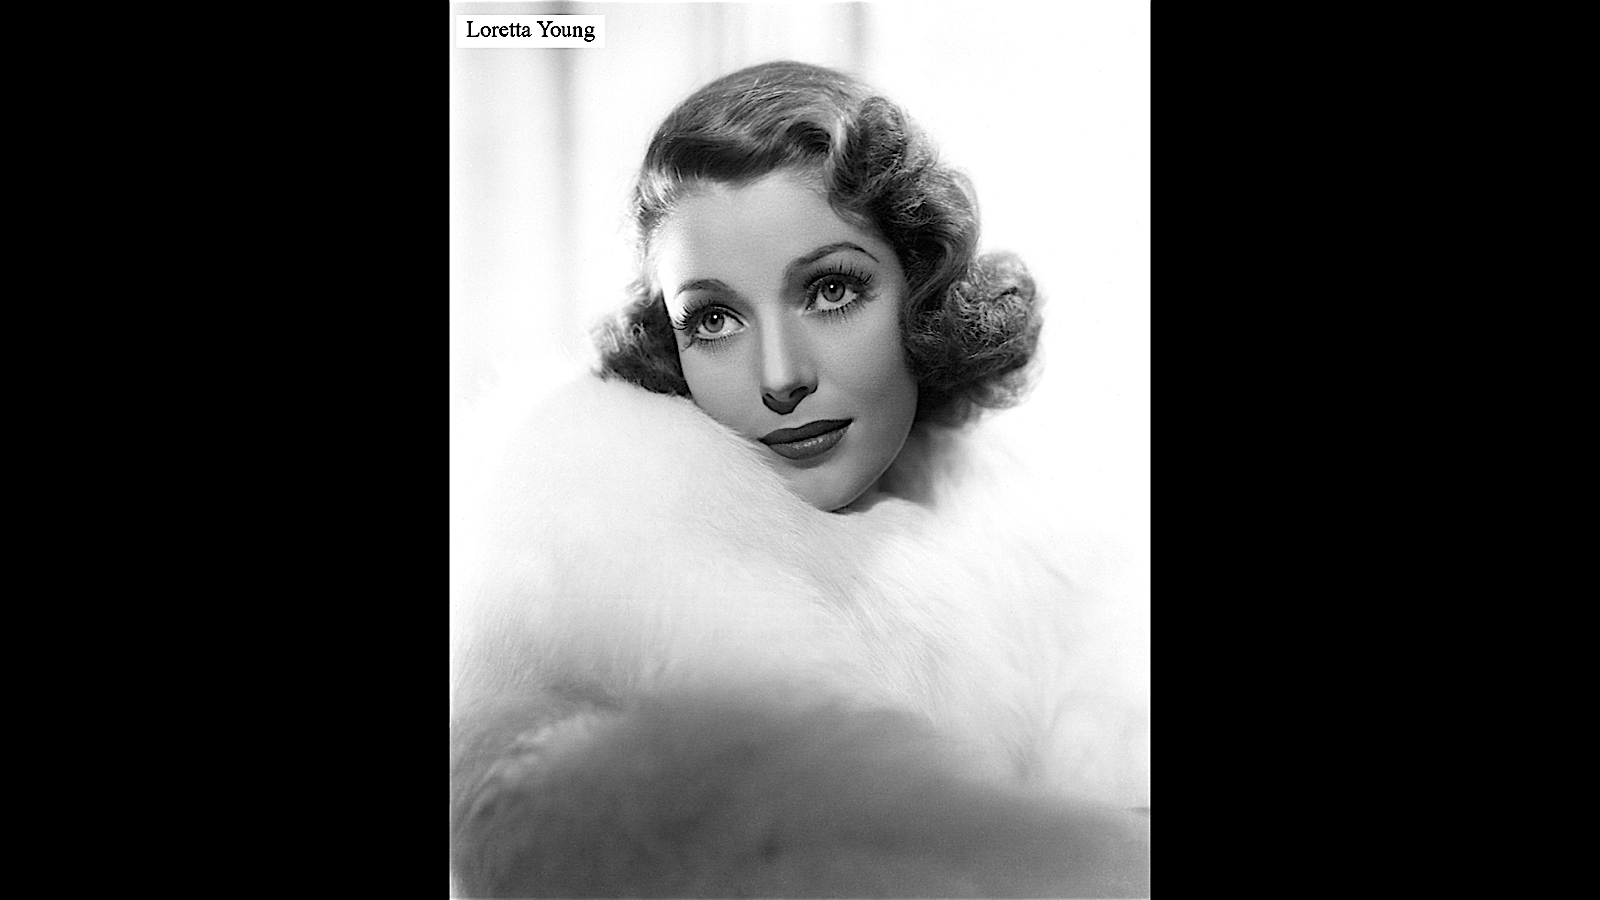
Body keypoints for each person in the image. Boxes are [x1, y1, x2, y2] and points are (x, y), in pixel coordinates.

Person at [450, 61, 1149, 897]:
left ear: (920, 290)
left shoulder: (1055, 552)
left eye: (830, 289)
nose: (780, 376)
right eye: (713, 319)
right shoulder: (579, 581)